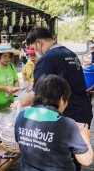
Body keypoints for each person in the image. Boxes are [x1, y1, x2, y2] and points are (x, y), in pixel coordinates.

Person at [22, 27, 93, 170]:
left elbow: (37, 93)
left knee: (59, 158)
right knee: (75, 158)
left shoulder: (48, 58)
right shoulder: (70, 53)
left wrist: (20, 103)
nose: (36, 52)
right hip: (83, 111)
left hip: (67, 115)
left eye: (33, 48)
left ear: (38, 43)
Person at [15, 74, 93, 170]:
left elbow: (20, 142)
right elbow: (86, 160)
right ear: (61, 100)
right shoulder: (67, 125)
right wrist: (85, 136)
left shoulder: (22, 115)